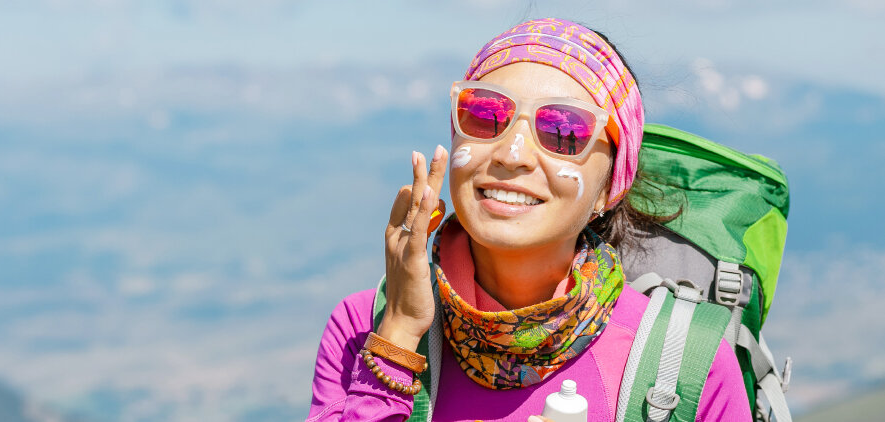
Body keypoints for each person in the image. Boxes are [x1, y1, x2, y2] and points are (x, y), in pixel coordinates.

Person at [307, 18, 751, 422]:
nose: (511, 154)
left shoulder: (686, 364)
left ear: (609, 186)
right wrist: (399, 337)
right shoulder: (364, 328)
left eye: (563, 131)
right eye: (486, 116)